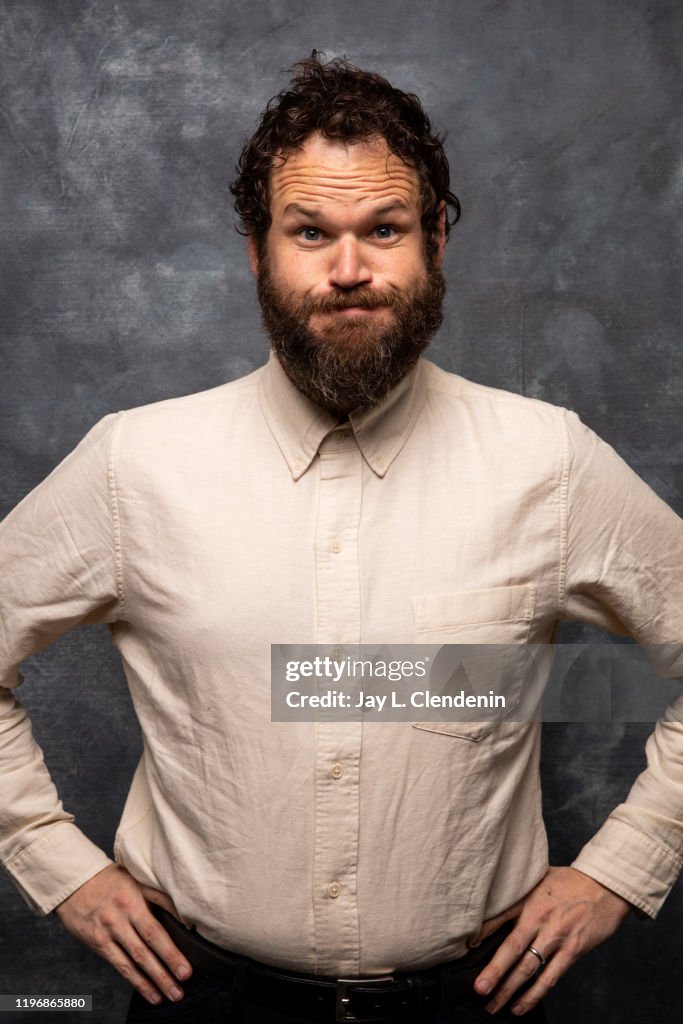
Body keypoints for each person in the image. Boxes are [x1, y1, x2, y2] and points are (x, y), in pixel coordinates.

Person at [1, 52, 682, 1024]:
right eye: (309, 232)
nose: (348, 270)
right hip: (206, 999)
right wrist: (52, 859)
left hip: (468, 1002)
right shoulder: (133, 465)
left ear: (435, 240)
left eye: (384, 230)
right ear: (255, 250)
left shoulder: (547, 463)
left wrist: (623, 866)